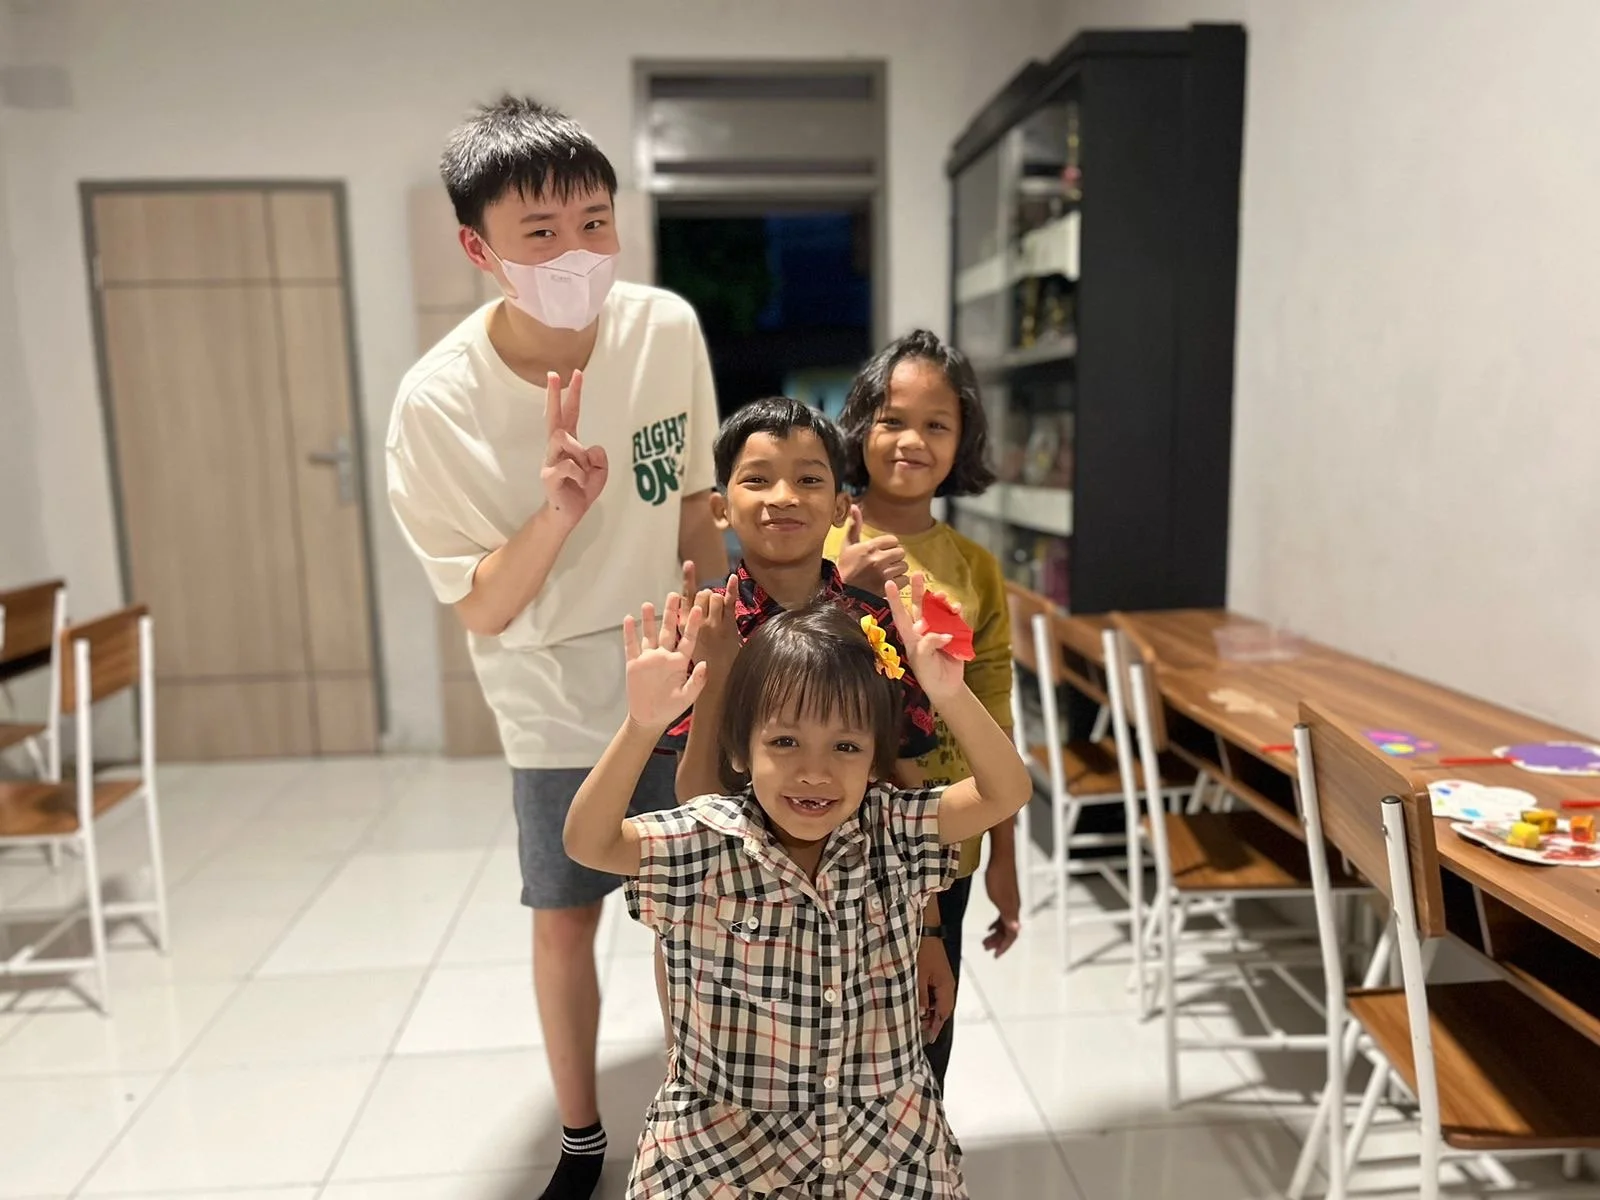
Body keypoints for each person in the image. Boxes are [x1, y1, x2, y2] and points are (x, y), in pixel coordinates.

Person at [385, 95, 726, 1200]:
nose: (577, 251)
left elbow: (694, 502)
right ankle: (582, 1137)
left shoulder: (664, 326)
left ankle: (693, 1115)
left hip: (676, 668)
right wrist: (558, 513)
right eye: (541, 232)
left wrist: (718, 641)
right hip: (548, 689)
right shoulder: (436, 404)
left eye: (595, 220)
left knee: (688, 910)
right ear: (478, 247)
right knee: (566, 910)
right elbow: (480, 607)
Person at [563, 580, 1034, 1199]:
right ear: (741, 746)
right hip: (724, 1160)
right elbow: (589, 842)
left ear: (874, 759)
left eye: (845, 746)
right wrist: (640, 725)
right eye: (784, 742)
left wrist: (949, 693)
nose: (814, 771)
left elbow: (1006, 790)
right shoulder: (708, 841)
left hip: (884, 1151)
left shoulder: (892, 827)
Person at [660, 397, 961, 1046]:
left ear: (841, 508)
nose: (784, 497)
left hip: (868, 916)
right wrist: (718, 669)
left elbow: (905, 785)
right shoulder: (704, 627)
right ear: (720, 507)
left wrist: (931, 929)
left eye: (809, 479)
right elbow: (695, 804)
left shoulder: (871, 624)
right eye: (757, 478)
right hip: (738, 924)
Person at [825, 329, 1023, 1088]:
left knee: (924, 1037)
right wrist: (839, 584)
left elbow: (996, 720)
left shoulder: (977, 569)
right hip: (834, 836)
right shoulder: (825, 538)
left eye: (936, 424)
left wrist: (1004, 855)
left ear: (962, 439)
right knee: (838, 1039)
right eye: (892, 419)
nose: (912, 440)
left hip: (948, 843)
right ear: (860, 425)